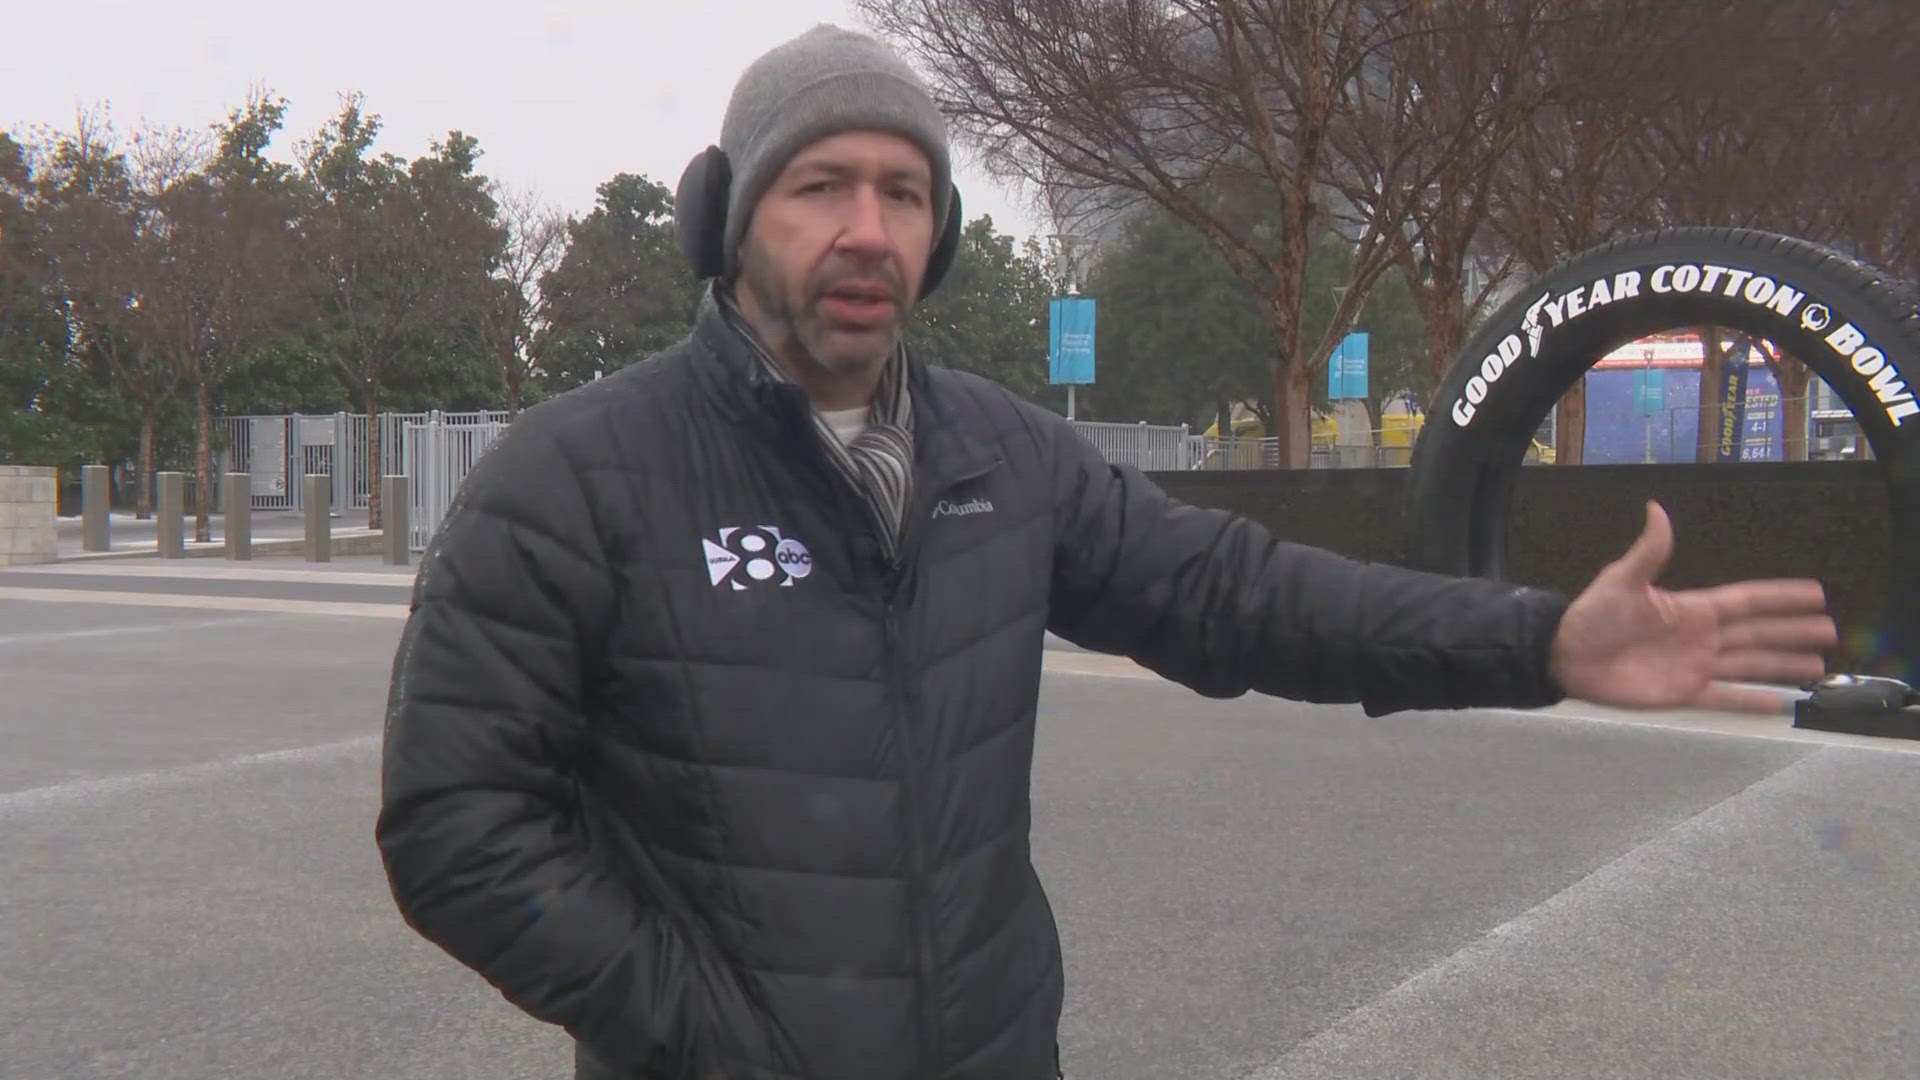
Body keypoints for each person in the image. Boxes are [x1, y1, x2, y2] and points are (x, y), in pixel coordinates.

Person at [374, 24, 1836, 1080]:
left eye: (906, 191)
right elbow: (455, 822)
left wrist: (1537, 643)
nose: (869, 228)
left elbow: (1241, 598)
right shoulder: (577, 477)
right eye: (820, 186)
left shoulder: (1008, 459)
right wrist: (700, 1027)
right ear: (729, 217)